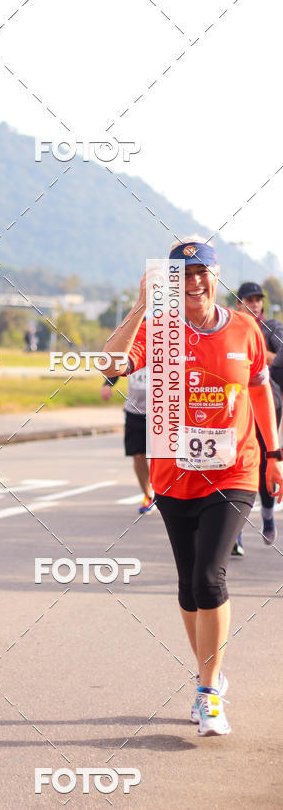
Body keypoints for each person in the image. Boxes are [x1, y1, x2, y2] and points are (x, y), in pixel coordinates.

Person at [103, 236, 283, 736]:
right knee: (187, 586)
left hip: (235, 470)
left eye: (202, 271)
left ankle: (207, 694)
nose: (195, 281)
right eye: (183, 275)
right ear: (170, 283)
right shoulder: (157, 330)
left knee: (209, 577)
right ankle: (212, 672)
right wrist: (141, 306)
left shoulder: (244, 328)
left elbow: (258, 391)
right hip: (173, 474)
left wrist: (272, 454)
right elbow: (108, 365)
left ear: (215, 274)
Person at [235, 282, 283, 547]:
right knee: (237, 463)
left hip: (268, 402)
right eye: (248, 299)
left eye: (257, 300)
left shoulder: (272, 328)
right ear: (238, 302)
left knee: (266, 460)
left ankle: (267, 517)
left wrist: (253, 354)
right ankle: (235, 535)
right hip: (236, 405)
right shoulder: (229, 326)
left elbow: (278, 358)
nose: (254, 304)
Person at [101, 367, 153, 513]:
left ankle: (164, 493)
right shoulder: (133, 347)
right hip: (134, 412)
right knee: (138, 455)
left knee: (162, 458)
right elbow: (118, 367)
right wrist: (107, 385)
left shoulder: (166, 347)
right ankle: (148, 495)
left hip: (160, 413)